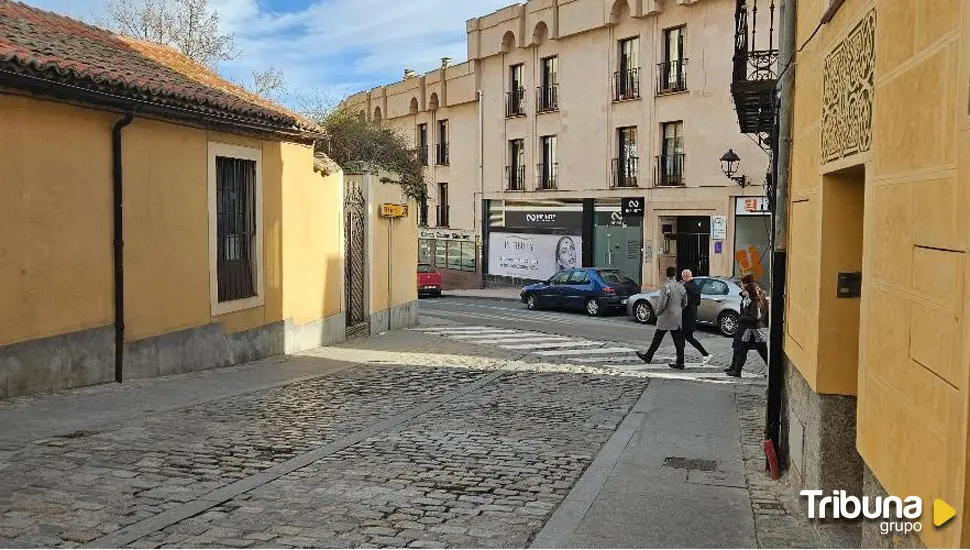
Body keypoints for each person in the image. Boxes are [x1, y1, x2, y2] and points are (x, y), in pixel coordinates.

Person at [636, 266, 688, 369]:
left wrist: (657, 313)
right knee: (679, 340)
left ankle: (648, 356)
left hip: (666, 317)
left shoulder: (666, 287)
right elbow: (685, 302)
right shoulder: (682, 287)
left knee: (658, 338)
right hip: (677, 317)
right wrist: (679, 309)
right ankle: (680, 361)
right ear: (675, 275)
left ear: (667, 275)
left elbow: (662, 303)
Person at [725, 274, 769, 377]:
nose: (741, 287)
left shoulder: (754, 301)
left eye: (742, 284)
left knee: (762, 352)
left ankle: (737, 370)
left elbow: (756, 316)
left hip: (754, 330)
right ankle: (736, 370)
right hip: (749, 330)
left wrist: (742, 318)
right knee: (742, 349)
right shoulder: (749, 299)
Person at [680, 269, 713, 365]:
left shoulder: (685, 287)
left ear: (685, 276)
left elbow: (683, 303)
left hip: (685, 316)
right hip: (693, 314)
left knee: (688, 337)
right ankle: (679, 357)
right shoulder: (696, 286)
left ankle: (705, 354)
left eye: (682, 277)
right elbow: (698, 302)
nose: (682, 279)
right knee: (684, 337)